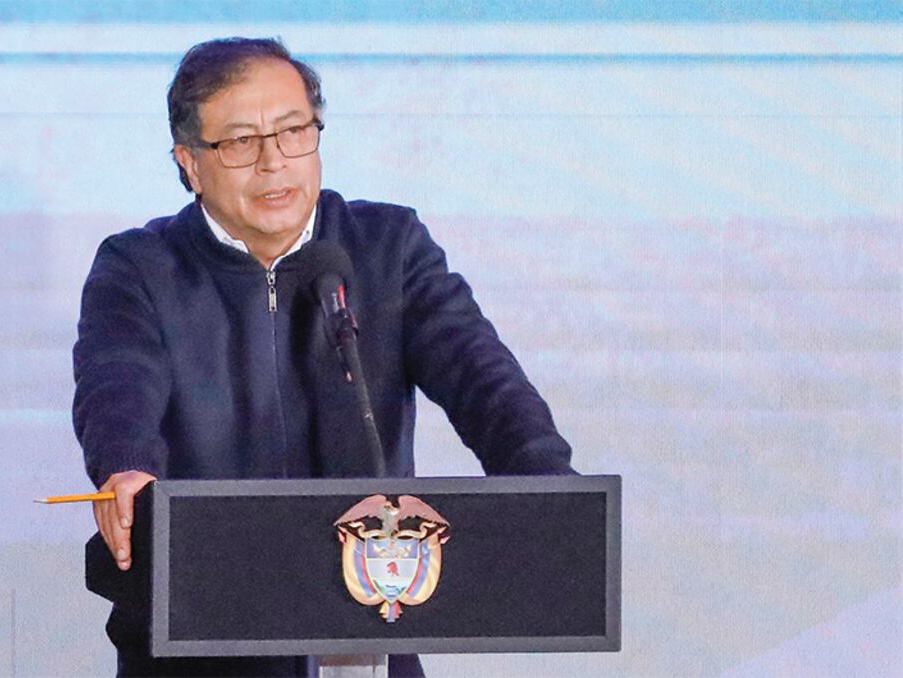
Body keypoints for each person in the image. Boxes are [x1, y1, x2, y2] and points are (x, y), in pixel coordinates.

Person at [74, 37, 575, 677]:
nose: (273, 162)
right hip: (199, 645)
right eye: (240, 142)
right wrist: (126, 467)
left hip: (368, 635)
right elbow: (118, 383)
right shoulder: (140, 267)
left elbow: (484, 378)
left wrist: (546, 486)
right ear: (191, 163)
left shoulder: (387, 247)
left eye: (293, 132)